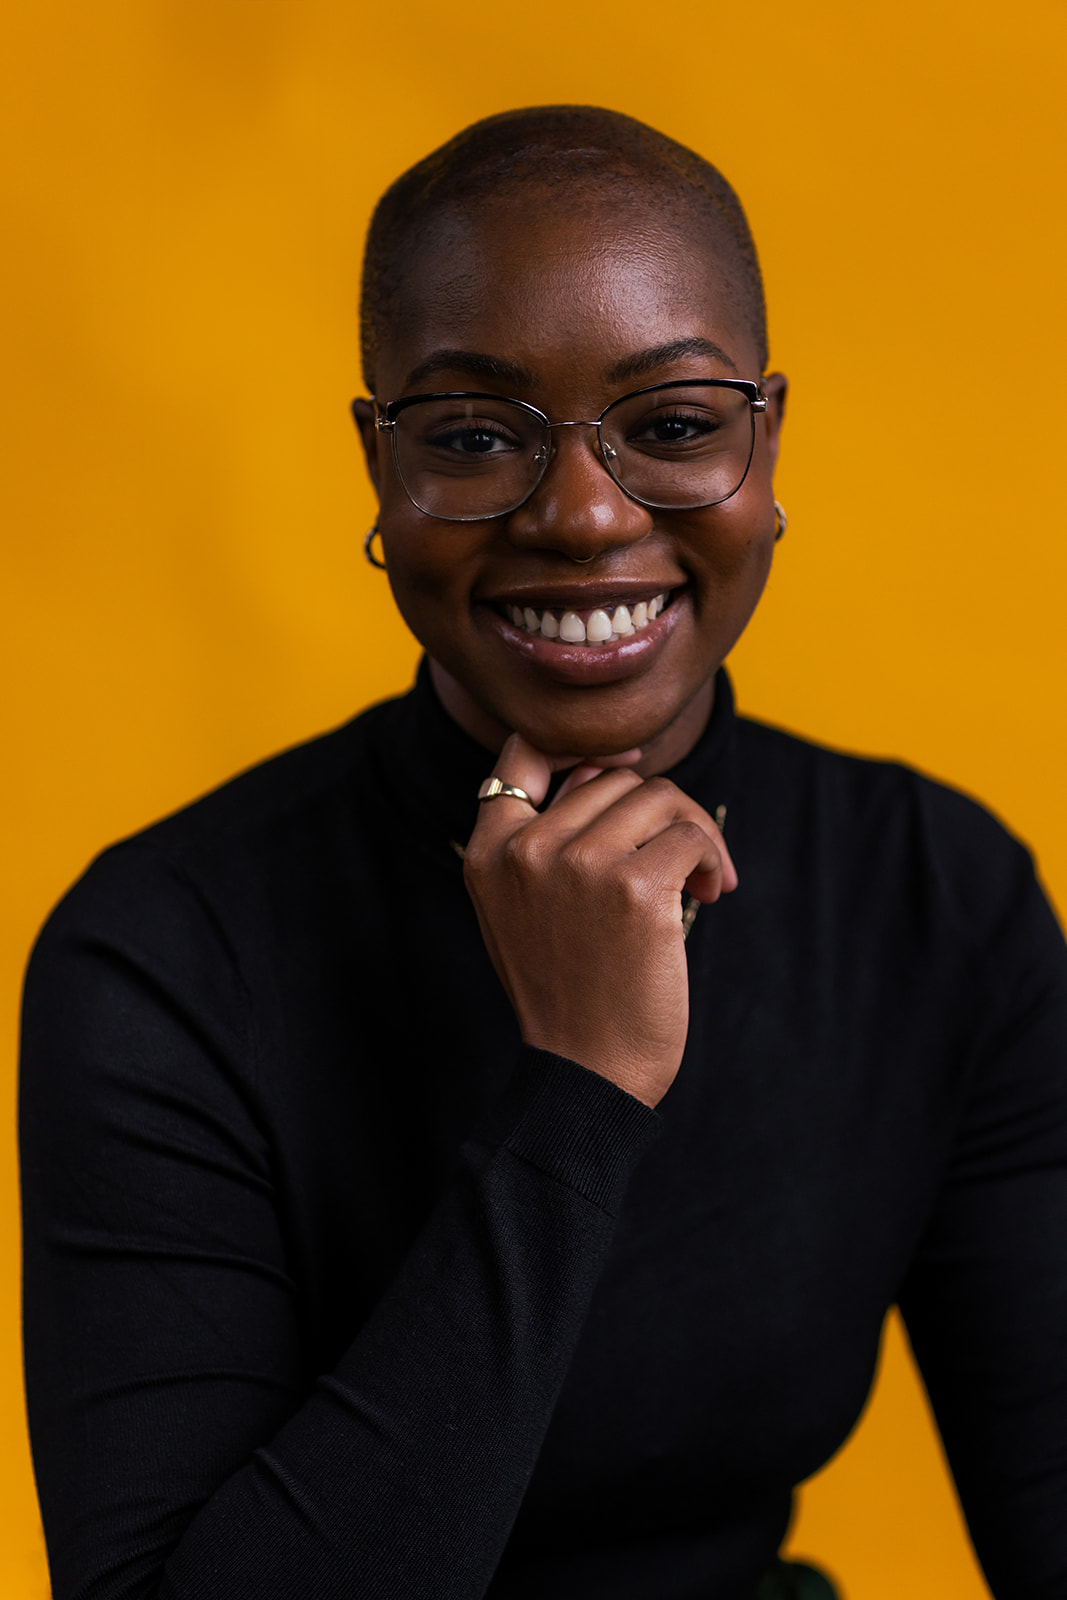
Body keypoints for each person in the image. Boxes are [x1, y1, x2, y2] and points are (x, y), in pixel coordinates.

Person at [19, 105, 1067, 1600]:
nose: (581, 515)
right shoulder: (163, 957)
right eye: (471, 437)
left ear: (767, 444)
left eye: (676, 426)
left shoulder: (935, 898)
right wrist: (579, 1094)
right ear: (381, 467)